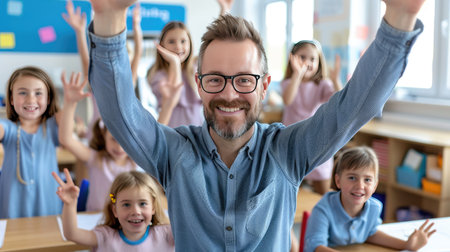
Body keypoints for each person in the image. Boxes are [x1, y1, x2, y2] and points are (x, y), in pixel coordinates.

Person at [86, 0, 425, 250]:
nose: (230, 94)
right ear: (200, 83)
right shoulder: (174, 151)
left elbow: (353, 108)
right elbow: (120, 113)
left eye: (245, 80)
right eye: (216, 80)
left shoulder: (288, 150)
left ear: (264, 85)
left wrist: (401, 17)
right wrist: (109, 16)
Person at [304, 146, 436, 252]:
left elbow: (370, 234)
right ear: (338, 180)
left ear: (375, 185)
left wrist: (407, 245)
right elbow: (315, 247)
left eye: (367, 180)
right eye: (352, 177)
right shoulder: (323, 209)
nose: (360, 186)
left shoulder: (374, 207)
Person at [59, 72, 144, 211]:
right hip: (96, 222)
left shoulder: (136, 163)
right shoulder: (96, 158)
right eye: (113, 139)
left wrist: (169, 103)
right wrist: (70, 103)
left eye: (124, 142)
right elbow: (66, 139)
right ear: (104, 137)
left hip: (127, 224)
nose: (119, 147)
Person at [62, 0, 143, 138]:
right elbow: (85, 59)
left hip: (120, 138)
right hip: (96, 136)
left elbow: (138, 51)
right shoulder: (97, 82)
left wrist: (136, 26)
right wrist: (80, 31)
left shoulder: (128, 82)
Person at [52, 168, 174, 251]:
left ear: (153, 207)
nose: (136, 211)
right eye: (126, 205)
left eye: (142, 204)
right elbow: (71, 234)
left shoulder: (167, 235)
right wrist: (70, 204)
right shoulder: (105, 236)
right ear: (115, 210)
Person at [282, 39, 342, 195]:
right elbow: (287, 100)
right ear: (292, 59)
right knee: (291, 191)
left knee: (322, 192)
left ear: (319, 62)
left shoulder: (323, 84)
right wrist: (297, 74)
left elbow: (339, 101)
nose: (307, 62)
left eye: (312, 59)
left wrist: (335, 81)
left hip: (317, 142)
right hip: (293, 144)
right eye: (302, 57)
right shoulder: (289, 82)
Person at [0, 66, 61, 218]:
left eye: (38, 93)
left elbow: (68, 126)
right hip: (12, 209)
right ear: (12, 99)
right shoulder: (8, 127)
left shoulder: (54, 125)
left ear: (48, 99)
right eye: (22, 93)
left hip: (49, 208)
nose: (31, 99)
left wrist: (71, 102)